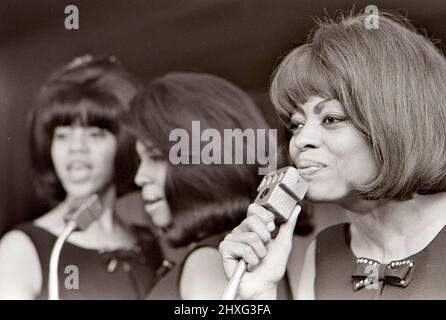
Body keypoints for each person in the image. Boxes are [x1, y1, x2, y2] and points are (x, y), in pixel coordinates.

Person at [219, 10, 446, 300]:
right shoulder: (323, 251)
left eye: (331, 119)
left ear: (400, 121)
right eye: (296, 124)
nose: (301, 140)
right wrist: (256, 296)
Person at [0, 55, 162, 299]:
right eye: (62, 135)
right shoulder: (22, 248)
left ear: (124, 145)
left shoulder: (148, 243)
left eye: (95, 134)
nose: (76, 148)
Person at [118, 72, 280, 299]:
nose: (140, 177)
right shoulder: (236, 256)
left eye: (155, 157)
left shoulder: (208, 262)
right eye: (140, 160)